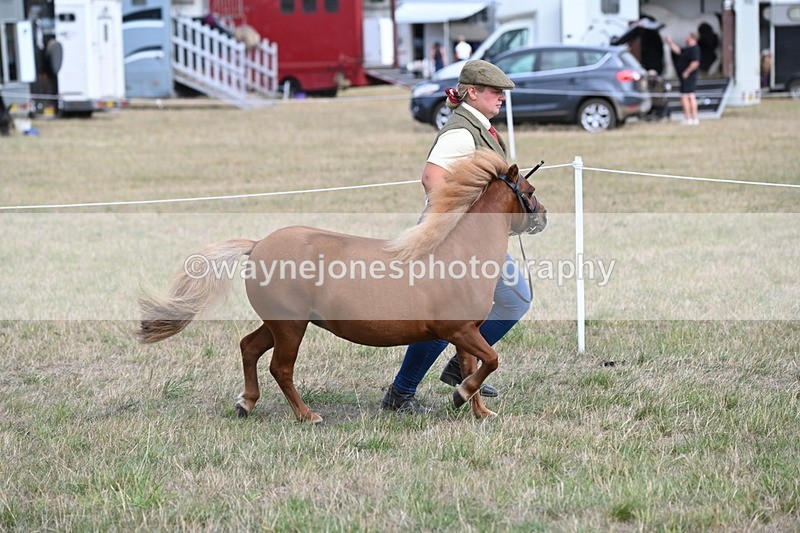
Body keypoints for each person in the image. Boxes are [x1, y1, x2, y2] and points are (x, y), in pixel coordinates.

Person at [381, 60, 531, 412]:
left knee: (511, 300)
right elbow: (432, 178)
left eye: (503, 93)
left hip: (475, 240)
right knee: (448, 318)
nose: (501, 99)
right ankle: (402, 392)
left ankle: (460, 370)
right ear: (472, 93)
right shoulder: (461, 132)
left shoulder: (482, 128)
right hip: (453, 236)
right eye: (495, 92)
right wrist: (456, 228)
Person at [665, 32, 700, 125]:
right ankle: (689, 117)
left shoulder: (695, 49)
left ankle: (691, 117)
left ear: (691, 38)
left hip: (688, 76)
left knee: (687, 96)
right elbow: (678, 51)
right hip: (684, 76)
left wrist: (687, 71)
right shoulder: (688, 49)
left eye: (687, 37)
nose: (686, 38)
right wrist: (670, 42)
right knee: (686, 96)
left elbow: (695, 63)